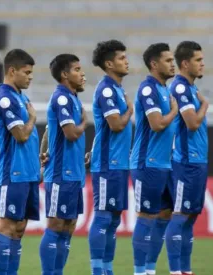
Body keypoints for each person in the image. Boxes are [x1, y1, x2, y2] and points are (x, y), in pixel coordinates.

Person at [0, 48, 39, 275]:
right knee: (7, 227)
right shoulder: (5, 98)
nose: (30, 76)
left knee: (19, 228)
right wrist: (31, 118)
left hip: (28, 171)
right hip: (13, 173)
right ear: (12, 71)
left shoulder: (20, 96)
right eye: (26, 72)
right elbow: (21, 135)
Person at [129, 43, 177, 275]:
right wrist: (174, 112)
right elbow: (157, 124)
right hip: (147, 162)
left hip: (164, 164)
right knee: (147, 216)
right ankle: (139, 271)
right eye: (168, 60)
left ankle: (150, 269)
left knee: (165, 214)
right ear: (154, 64)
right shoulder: (148, 89)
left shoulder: (164, 89)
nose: (172, 64)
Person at [86, 40, 133, 275]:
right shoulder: (106, 89)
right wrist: (129, 111)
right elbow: (115, 125)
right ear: (109, 63)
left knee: (114, 220)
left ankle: (106, 269)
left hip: (119, 163)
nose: (126, 61)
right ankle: (98, 270)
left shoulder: (115, 90)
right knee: (104, 217)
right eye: (121, 57)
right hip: (107, 163)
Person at [40, 54, 86, 275]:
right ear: (65, 75)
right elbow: (69, 133)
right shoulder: (61, 98)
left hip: (74, 173)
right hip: (61, 173)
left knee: (68, 227)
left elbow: (50, 130)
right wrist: (85, 123)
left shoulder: (72, 98)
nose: (82, 73)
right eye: (77, 69)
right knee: (56, 225)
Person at [165, 41, 208, 275]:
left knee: (190, 216)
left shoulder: (189, 88)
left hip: (197, 161)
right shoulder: (180, 88)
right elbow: (192, 123)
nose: (203, 64)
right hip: (185, 161)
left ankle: (185, 270)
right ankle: (175, 270)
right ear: (185, 63)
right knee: (180, 215)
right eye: (198, 60)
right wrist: (205, 105)